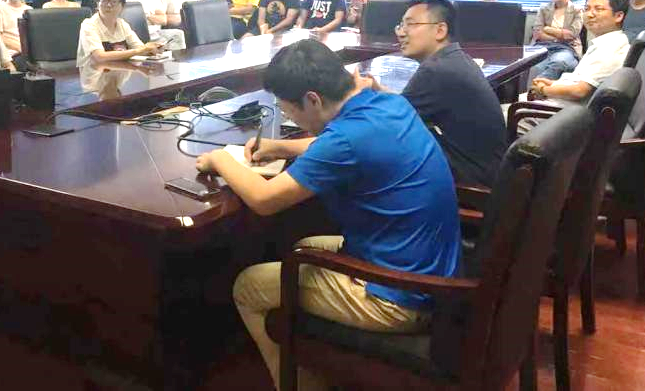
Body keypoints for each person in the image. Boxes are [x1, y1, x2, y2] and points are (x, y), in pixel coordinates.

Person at [195, 39, 460, 391]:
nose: (290, 118)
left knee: (248, 286)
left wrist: (219, 160)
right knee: (305, 244)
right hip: (434, 269)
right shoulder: (388, 103)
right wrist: (279, 146)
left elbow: (264, 199)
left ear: (313, 100)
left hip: (401, 297)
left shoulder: (344, 141)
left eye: (289, 111)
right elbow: (340, 142)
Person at [359, 0, 506, 187]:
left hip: (472, 180)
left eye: (410, 24)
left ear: (440, 30)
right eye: (401, 25)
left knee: (371, 148)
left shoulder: (435, 70)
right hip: (490, 169)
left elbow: (390, 121)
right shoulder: (455, 58)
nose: (401, 33)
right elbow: (404, 106)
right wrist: (379, 91)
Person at [530, 0, 630, 104]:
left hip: (562, 111)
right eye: (587, 9)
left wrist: (543, 89)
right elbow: (578, 81)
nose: (590, 14)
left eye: (598, 9)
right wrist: (553, 84)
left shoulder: (610, 48)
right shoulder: (606, 42)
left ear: (618, 16)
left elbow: (579, 91)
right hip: (561, 103)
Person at [76, 0, 163, 67]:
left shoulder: (122, 24)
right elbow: (99, 57)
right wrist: (139, 51)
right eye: (105, 1)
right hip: (94, 73)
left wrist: (152, 49)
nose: (109, 5)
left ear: (122, 6)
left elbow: (140, 48)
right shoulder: (89, 25)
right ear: (98, 4)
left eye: (113, 1)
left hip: (121, 71)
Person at [531, 0, 583, 80]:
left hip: (567, 48)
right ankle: (536, 88)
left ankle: (537, 87)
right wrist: (557, 38)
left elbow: (571, 34)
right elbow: (538, 33)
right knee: (535, 67)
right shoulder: (544, 9)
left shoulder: (577, 10)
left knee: (558, 62)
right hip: (543, 47)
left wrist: (547, 29)